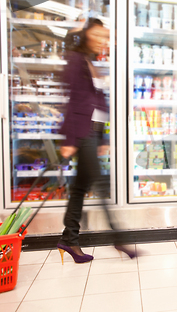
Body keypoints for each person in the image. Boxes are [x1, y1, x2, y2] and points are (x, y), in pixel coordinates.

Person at [57, 18, 135, 263]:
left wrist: (104, 136)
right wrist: (69, 139)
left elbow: (100, 104)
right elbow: (71, 102)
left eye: (105, 36)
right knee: (101, 185)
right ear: (86, 35)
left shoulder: (92, 63)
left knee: (80, 188)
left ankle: (69, 239)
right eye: (98, 35)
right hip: (81, 133)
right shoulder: (75, 60)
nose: (103, 41)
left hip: (92, 132)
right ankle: (119, 238)